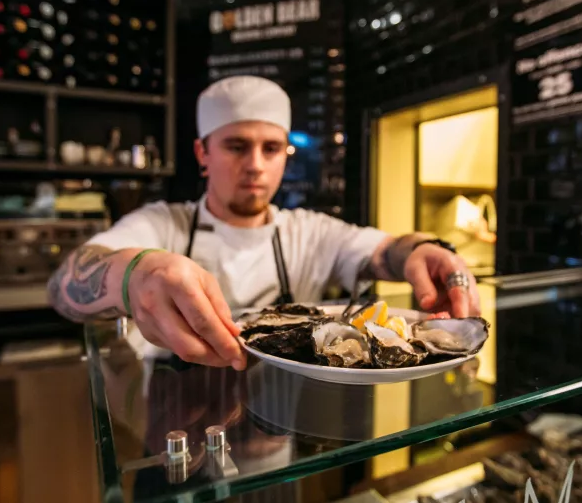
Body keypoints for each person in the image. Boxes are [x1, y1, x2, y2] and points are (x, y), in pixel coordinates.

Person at [47, 75, 481, 371]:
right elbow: (64, 285)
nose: (255, 165)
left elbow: (388, 252)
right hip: (172, 436)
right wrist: (133, 276)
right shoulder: (164, 226)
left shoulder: (309, 232)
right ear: (203, 154)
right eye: (236, 146)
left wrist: (425, 248)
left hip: (282, 434)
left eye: (271, 149)